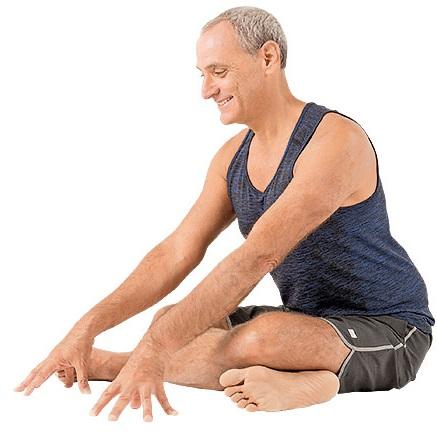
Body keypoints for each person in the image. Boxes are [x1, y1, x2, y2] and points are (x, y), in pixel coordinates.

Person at [14, 6, 434, 422]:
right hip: (306, 321)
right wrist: (86, 327)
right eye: (202, 74)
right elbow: (176, 252)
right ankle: (299, 375)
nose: (206, 90)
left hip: (391, 327)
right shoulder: (231, 158)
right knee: (171, 319)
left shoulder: (334, 141)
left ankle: (117, 365)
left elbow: (259, 255)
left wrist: (153, 349)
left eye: (218, 71)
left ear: (267, 57)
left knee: (257, 339)